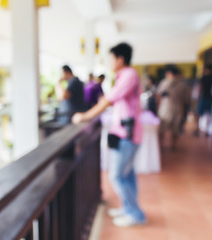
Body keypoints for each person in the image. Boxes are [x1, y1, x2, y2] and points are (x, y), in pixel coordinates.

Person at [72, 42, 146, 227]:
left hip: (127, 135)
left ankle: (135, 214)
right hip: (124, 133)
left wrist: (85, 116)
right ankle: (129, 209)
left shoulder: (129, 74)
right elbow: (112, 99)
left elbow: (110, 99)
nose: (110, 62)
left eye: (111, 58)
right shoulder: (124, 76)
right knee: (127, 175)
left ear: (120, 59)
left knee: (117, 176)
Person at [157, 65, 188, 150]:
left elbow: (159, 96)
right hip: (178, 109)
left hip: (165, 108)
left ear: (169, 73)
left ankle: (160, 146)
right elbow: (185, 100)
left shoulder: (164, 83)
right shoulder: (182, 85)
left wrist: (158, 108)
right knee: (175, 129)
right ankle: (173, 146)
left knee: (162, 129)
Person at [194, 66, 212, 137]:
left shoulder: (203, 78)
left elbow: (199, 88)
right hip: (211, 99)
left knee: (198, 114)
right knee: (210, 115)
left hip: (204, 98)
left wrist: (198, 98)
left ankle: (197, 129)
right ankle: (207, 130)